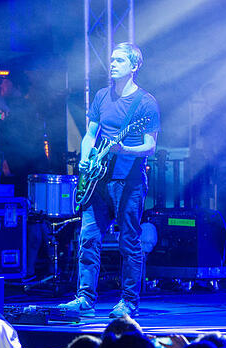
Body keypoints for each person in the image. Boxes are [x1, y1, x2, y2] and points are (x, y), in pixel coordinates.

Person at [60, 42, 160, 318]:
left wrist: (124, 149)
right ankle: (84, 298)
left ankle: (128, 302)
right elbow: (90, 134)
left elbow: (150, 146)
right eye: (111, 60)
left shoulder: (145, 103)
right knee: (88, 238)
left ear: (134, 66)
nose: (112, 64)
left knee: (130, 241)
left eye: (119, 60)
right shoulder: (102, 96)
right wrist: (84, 157)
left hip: (129, 182)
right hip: (98, 180)